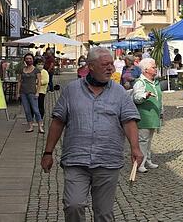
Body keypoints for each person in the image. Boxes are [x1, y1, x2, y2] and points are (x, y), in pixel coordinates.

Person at [41, 47, 142, 222]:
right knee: (74, 205)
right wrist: (48, 152)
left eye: (111, 64)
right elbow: (58, 122)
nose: (110, 68)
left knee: (103, 213)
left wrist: (135, 148)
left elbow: (129, 121)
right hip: (76, 160)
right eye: (105, 64)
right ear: (91, 66)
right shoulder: (71, 90)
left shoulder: (119, 92)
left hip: (107, 161)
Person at [132, 58, 162, 173]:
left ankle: (147, 160)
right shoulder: (141, 82)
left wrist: (161, 111)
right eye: (153, 67)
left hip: (153, 115)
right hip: (144, 116)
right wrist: (145, 95)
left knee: (149, 140)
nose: (156, 69)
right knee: (143, 140)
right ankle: (140, 163)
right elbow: (136, 97)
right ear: (145, 70)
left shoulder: (155, 82)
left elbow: (160, 99)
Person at [18, 53, 44, 134]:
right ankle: (30, 126)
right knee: (27, 110)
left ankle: (40, 126)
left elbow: (39, 81)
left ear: (33, 59)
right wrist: (18, 92)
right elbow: (19, 81)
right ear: (24, 60)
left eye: (30, 58)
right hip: (23, 92)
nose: (28, 60)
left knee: (36, 110)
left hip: (32, 92)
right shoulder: (22, 69)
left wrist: (37, 92)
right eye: (27, 58)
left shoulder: (36, 70)